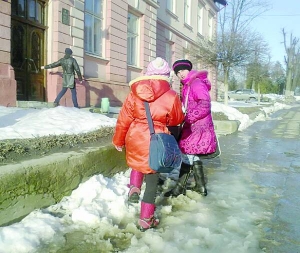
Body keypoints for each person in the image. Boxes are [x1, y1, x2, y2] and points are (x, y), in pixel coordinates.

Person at [112, 57, 184, 231]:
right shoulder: (172, 95)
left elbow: (124, 119)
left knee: (138, 161)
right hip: (157, 139)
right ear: (166, 75)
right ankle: (146, 219)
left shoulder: (134, 92)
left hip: (135, 136)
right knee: (152, 179)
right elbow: (176, 119)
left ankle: (134, 190)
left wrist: (118, 140)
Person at [165, 59, 217, 197]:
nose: (180, 74)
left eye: (182, 70)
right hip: (195, 126)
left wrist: (189, 118)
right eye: (177, 72)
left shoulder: (196, 83)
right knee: (192, 153)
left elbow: (205, 104)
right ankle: (200, 186)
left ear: (188, 69)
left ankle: (179, 188)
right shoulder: (188, 84)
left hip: (198, 126)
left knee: (187, 153)